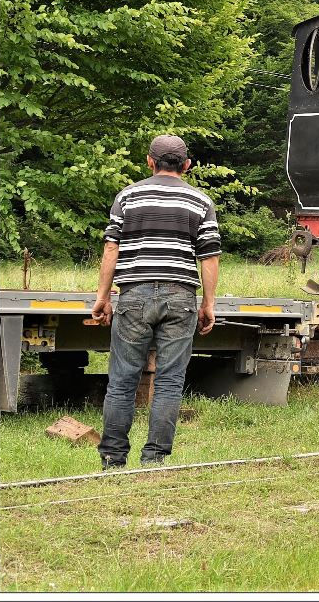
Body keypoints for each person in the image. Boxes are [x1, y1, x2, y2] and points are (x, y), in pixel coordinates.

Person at [91, 135, 221, 469]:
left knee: (121, 381)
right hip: (180, 298)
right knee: (169, 382)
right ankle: (154, 460)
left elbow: (111, 248)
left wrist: (103, 297)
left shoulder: (128, 196)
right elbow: (209, 257)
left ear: (150, 162)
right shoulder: (200, 202)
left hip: (133, 295)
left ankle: (113, 459)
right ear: (187, 165)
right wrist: (208, 304)